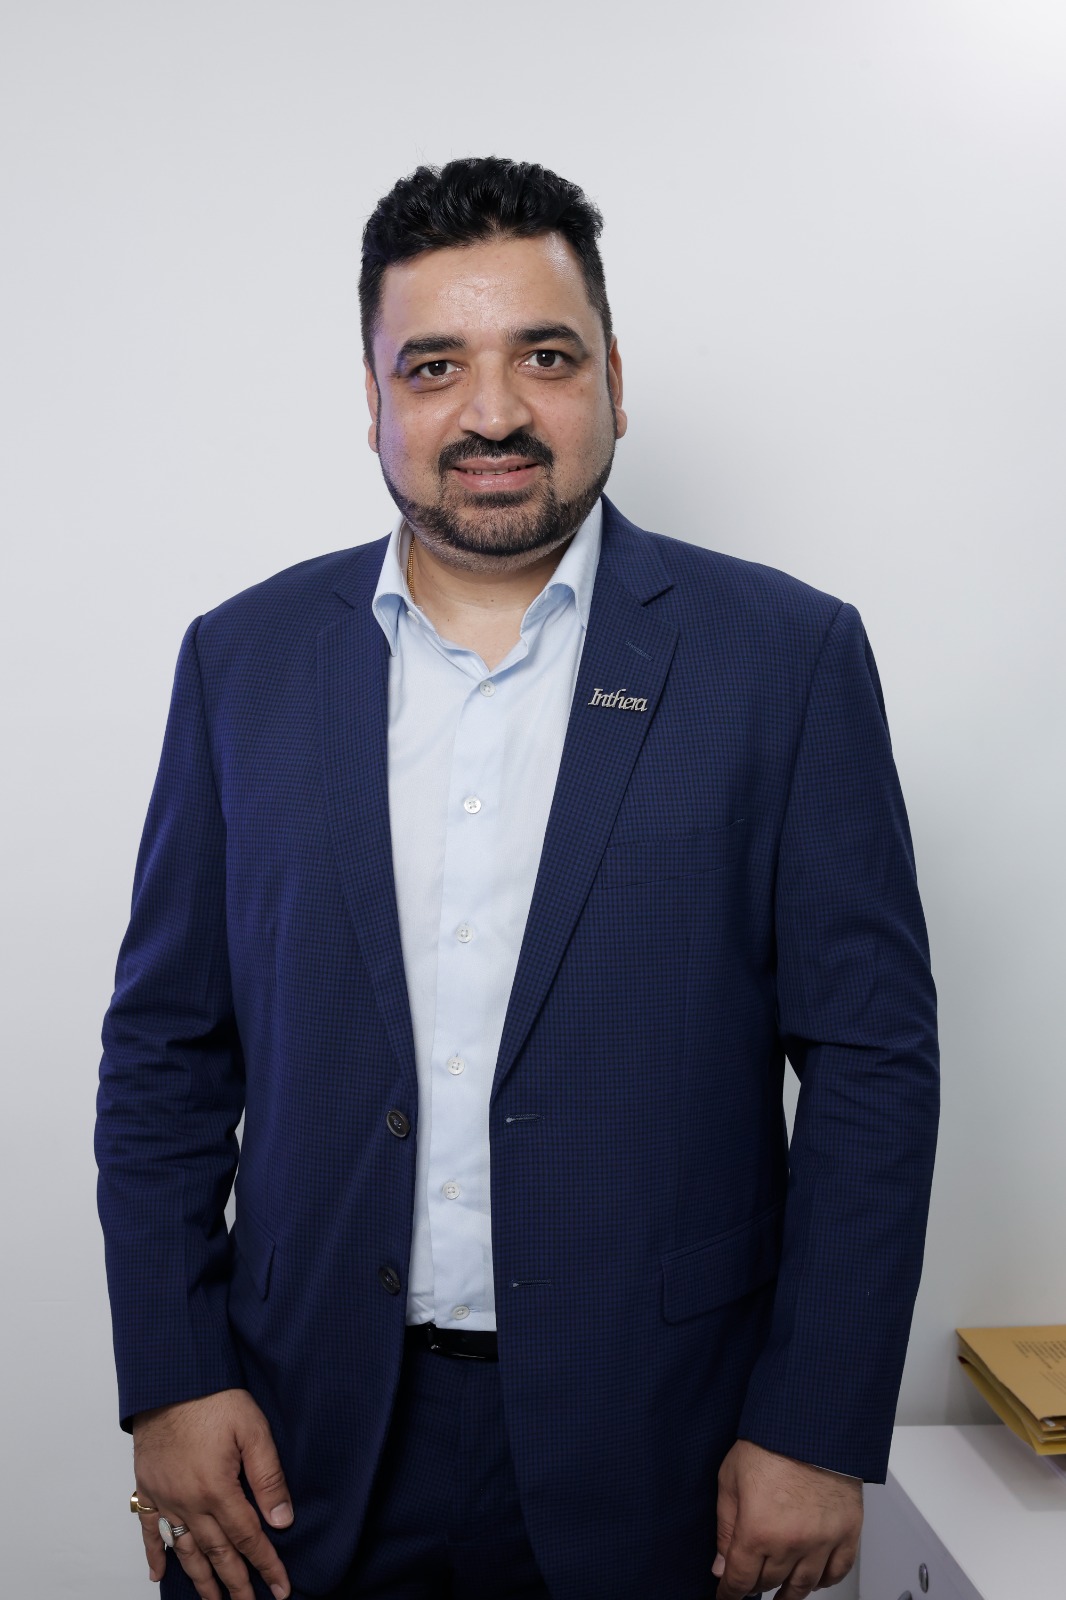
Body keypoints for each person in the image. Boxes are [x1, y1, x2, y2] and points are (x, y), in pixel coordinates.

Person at [97, 157, 939, 1600]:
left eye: (543, 357)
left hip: (667, 1443)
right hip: (295, 1440)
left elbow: (871, 1063)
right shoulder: (241, 662)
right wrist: (170, 1376)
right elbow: (166, 1048)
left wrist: (814, 1423)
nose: (491, 412)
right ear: (373, 399)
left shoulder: (784, 660)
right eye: (434, 366)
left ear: (613, 378)